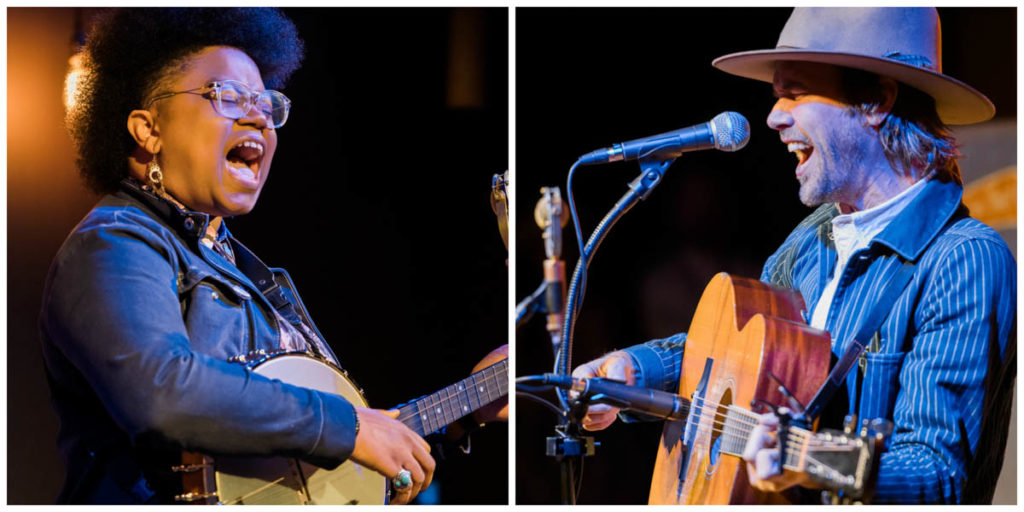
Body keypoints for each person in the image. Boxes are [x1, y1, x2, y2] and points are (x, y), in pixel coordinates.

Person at [41, 8, 506, 504]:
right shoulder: (113, 243)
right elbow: (163, 393)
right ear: (148, 130)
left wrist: (464, 411)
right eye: (227, 96)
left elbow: (305, 464)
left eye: (267, 103)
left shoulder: (256, 276)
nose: (258, 116)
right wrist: (346, 427)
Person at [573, 7, 1015, 504]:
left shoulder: (964, 259)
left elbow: (936, 474)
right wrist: (633, 370)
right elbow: (738, 356)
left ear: (876, 99)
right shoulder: (810, 240)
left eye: (796, 91)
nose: (773, 116)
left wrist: (806, 458)